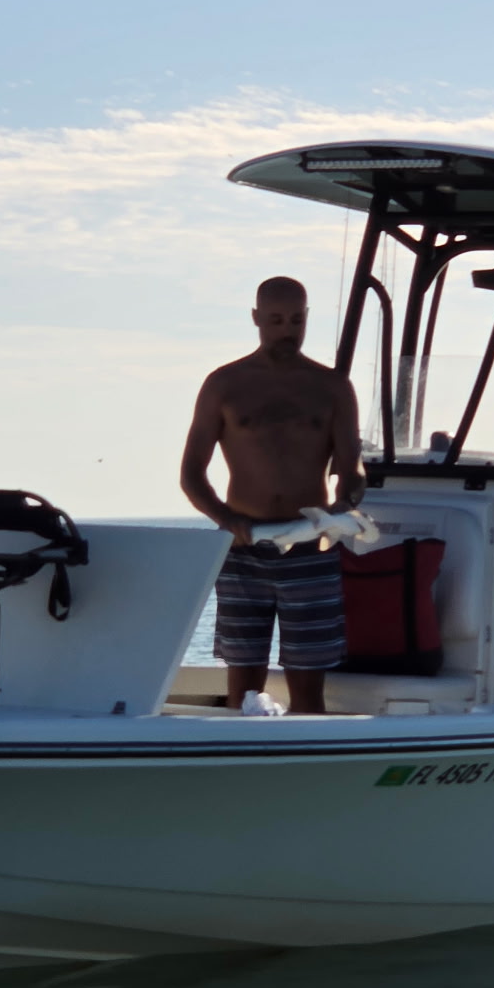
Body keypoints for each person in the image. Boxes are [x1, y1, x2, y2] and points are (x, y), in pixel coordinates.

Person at [180, 276, 365, 714]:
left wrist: (349, 495)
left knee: (308, 688)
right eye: (277, 320)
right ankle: (238, 764)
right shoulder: (223, 384)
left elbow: (351, 464)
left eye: (297, 320)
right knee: (243, 688)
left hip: (310, 544)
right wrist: (226, 519)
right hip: (244, 548)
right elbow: (191, 473)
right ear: (256, 319)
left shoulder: (333, 386)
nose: (288, 330)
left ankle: (311, 768)